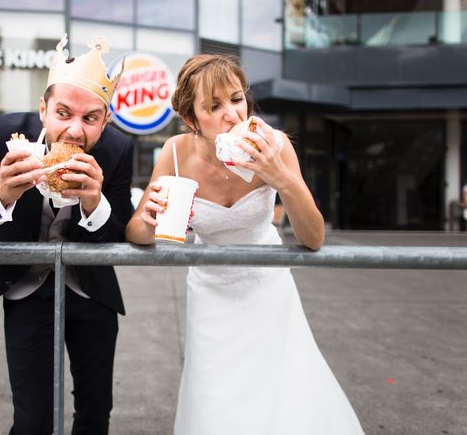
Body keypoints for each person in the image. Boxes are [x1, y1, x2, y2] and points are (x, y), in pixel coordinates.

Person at [126, 54, 364, 434]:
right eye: (214, 106)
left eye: (237, 99)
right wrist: (149, 218)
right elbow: (136, 233)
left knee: (283, 395)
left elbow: (313, 238)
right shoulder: (174, 153)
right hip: (209, 293)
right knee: (216, 399)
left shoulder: (276, 144)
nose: (233, 115)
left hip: (267, 288)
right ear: (191, 120)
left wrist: (281, 178)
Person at [0, 34, 133, 435]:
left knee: (95, 413)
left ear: (105, 121)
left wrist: (94, 202)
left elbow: (121, 233)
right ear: (43, 109)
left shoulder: (117, 150)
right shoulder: (1, 133)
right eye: (63, 113)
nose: (75, 131)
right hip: (23, 288)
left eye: (90, 118)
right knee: (33, 420)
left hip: (92, 292)